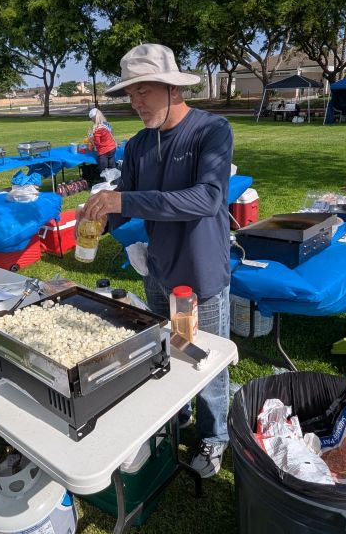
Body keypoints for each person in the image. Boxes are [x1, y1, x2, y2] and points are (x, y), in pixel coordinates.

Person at [81, 44, 233, 478]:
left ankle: (214, 434)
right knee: (166, 349)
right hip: (158, 269)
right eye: (131, 94)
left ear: (173, 88)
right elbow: (127, 200)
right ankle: (175, 412)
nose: (136, 103)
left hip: (201, 271)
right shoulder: (139, 143)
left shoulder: (211, 130)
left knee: (206, 358)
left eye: (143, 91)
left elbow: (207, 199)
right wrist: (100, 219)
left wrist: (123, 200)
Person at [87, 108, 118, 172]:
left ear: (94, 118)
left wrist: (91, 139)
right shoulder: (106, 124)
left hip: (104, 150)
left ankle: (106, 178)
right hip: (112, 147)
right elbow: (110, 135)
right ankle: (115, 177)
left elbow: (97, 143)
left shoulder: (98, 128)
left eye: (91, 118)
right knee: (112, 167)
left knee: (103, 171)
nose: (91, 120)